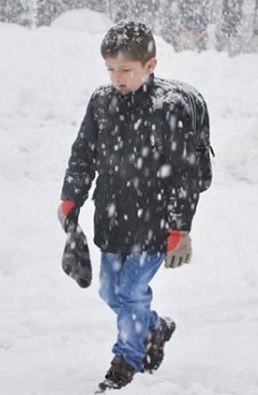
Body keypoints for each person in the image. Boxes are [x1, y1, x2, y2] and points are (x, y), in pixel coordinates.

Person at [58, 21, 210, 391]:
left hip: (155, 220)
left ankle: (126, 358)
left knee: (130, 292)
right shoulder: (101, 103)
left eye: (126, 70)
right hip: (112, 218)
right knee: (110, 292)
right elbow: (83, 155)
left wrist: (178, 227)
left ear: (150, 66)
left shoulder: (168, 108)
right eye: (111, 69)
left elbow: (184, 174)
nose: (117, 78)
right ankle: (153, 327)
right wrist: (71, 198)